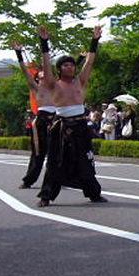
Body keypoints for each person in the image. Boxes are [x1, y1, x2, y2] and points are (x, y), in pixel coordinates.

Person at [36, 25, 107, 208]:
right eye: (65, 65)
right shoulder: (53, 84)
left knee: (86, 160)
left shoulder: (80, 81)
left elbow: (90, 62)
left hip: (81, 127)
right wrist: (44, 43)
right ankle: (46, 195)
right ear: (59, 69)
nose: (70, 67)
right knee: (54, 162)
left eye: (72, 64)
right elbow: (46, 65)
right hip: (61, 128)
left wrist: (95, 40)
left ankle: (94, 194)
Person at [13, 41, 57, 190]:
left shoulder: (56, 87)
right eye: (42, 75)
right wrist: (19, 54)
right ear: (38, 78)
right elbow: (25, 72)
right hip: (42, 120)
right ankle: (28, 180)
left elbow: (63, 70)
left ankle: (60, 178)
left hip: (57, 120)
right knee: (38, 152)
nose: (45, 76)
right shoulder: (36, 89)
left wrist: (80, 60)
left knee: (60, 151)